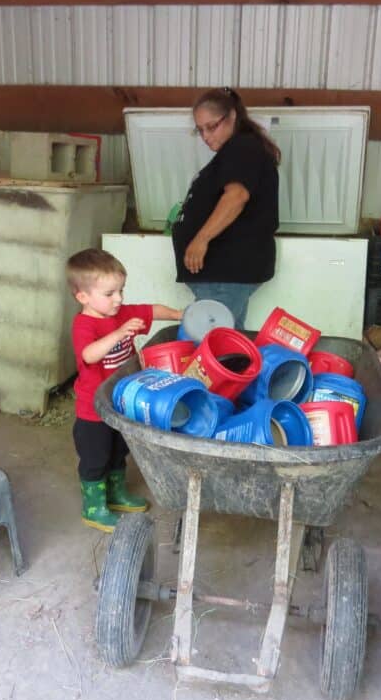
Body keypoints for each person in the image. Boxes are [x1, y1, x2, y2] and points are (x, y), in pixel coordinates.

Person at [67, 248, 183, 532]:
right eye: (109, 293)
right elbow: (90, 355)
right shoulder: (84, 324)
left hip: (121, 401)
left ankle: (117, 494)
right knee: (96, 457)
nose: (119, 299)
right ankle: (93, 507)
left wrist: (182, 314)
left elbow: (152, 310)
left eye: (121, 290)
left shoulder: (120, 313)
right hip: (93, 409)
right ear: (83, 296)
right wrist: (118, 334)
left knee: (119, 450)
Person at [170, 86, 281, 330]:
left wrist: (201, 238)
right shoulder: (239, 150)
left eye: (212, 126)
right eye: (200, 130)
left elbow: (237, 196)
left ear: (232, 116)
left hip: (227, 270)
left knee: (213, 341)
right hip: (226, 272)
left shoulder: (242, 148)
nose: (206, 137)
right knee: (228, 341)